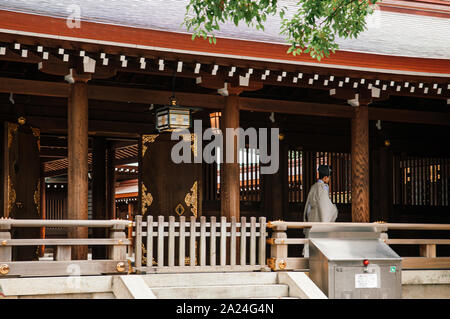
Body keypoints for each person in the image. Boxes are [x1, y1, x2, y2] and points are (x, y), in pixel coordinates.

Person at [302, 164, 338, 257]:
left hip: (312, 217)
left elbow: (308, 206)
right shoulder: (323, 188)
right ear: (325, 177)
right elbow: (325, 205)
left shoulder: (313, 187)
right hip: (319, 216)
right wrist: (334, 209)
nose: (329, 180)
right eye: (329, 177)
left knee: (311, 239)